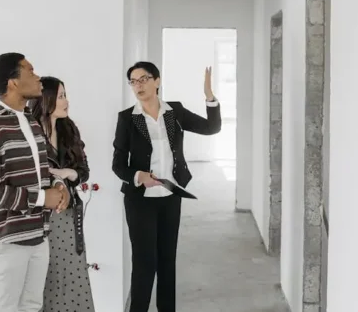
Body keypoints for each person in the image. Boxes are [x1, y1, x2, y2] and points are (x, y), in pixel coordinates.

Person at [112, 61, 222, 312]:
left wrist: (209, 97)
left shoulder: (175, 112)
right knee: (144, 262)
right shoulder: (127, 118)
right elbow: (118, 164)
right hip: (140, 200)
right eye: (133, 82)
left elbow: (212, 128)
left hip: (171, 195)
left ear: (157, 81)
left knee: (167, 261)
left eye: (143, 79)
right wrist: (138, 175)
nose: (138, 86)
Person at [0, 53, 70, 312]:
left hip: (38, 235)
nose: (38, 77)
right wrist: (42, 198)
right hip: (5, 239)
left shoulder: (31, 122)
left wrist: (59, 186)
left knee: (32, 307)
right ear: (13, 82)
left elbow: (41, 173)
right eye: (30, 71)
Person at [29, 76, 96, 312]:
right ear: (45, 99)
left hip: (67, 215)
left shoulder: (69, 129)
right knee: (44, 279)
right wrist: (56, 178)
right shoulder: (30, 133)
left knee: (72, 274)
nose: (66, 101)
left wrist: (69, 173)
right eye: (60, 96)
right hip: (40, 216)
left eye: (65, 95)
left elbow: (84, 171)